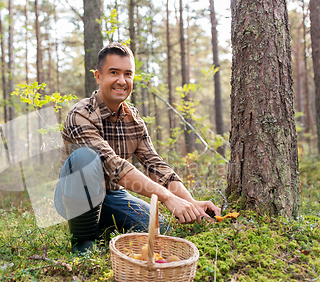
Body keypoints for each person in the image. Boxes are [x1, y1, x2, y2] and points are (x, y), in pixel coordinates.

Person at [54, 42, 221, 253]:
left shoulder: (133, 118)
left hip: (113, 195)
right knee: (84, 158)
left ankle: (105, 228)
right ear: (98, 76)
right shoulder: (81, 114)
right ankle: (83, 245)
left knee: (161, 228)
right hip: (73, 194)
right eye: (114, 72)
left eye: (128, 74)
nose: (122, 81)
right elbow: (114, 166)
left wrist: (191, 202)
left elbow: (155, 164)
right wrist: (168, 198)